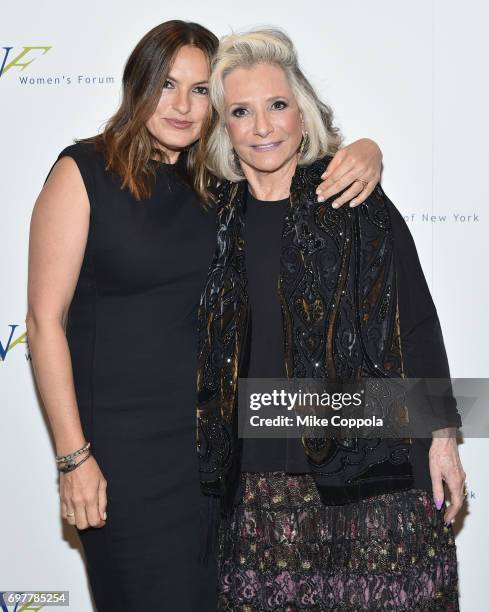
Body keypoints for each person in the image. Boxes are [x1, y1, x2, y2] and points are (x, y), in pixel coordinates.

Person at [26, 20, 382, 611]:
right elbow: (43, 323)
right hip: (122, 458)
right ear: (138, 84)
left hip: (215, 459)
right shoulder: (83, 172)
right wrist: (74, 458)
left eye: (198, 90)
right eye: (167, 84)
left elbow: (296, 164)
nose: (182, 106)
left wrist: (366, 152)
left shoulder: (217, 185)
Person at [196, 28, 466, 610]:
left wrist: (443, 439)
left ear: (303, 113)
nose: (263, 126)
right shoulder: (212, 219)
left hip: (373, 477)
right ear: (224, 127)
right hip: (259, 487)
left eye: (277, 105)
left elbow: (415, 320)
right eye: (241, 111)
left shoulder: (352, 195)